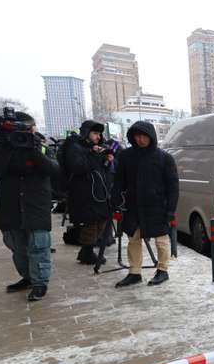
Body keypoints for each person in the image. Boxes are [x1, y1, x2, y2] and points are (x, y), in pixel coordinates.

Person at [0, 112, 59, 301]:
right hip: (10, 206)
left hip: (35, 204)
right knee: (17, 247)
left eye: (28, 129)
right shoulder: (0, 146)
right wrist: (5, 144)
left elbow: (52, 169)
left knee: (38, 246)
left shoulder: (40, 144)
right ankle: (27, 277)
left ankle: (40, 283)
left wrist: (33, 149)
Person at [113, 121, 178, 288]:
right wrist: (115, 201)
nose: (140, 139)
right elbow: (119, 181)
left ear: (151, 136)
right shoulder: (126, 156)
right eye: (136, 136)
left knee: (161, 239)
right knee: (133, 239)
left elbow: (173, 187)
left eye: (143, 136)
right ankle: (134, 272)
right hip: (133, 205)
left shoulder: (164, 158)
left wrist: (171, 209)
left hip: (157, 206)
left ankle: (162, 270)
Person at [65, 120, 113, 265]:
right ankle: (87, 251)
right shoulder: (75, 147)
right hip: (84, 193)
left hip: (99, 192)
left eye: (99, 134)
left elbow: (101, 169)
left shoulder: (95, 148)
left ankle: (86, 250)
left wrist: (107, 160)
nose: (98, 137)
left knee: (102, 219)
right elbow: (78, 167)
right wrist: (93, 154)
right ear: (86, 133)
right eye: (95, 133)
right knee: (91, 222)